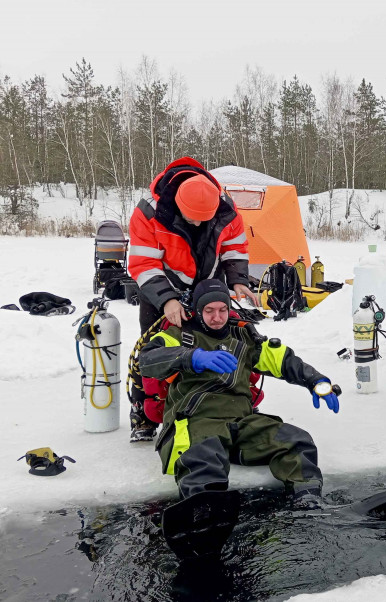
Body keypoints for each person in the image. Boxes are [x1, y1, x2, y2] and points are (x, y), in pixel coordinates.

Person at [139, 279, 339, 512]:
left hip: (241, 422)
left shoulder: (244, 338)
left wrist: (315, 380)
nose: (217, 317)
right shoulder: (179, 335)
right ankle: (206, 512)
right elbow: (147, 359)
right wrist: (191, 357)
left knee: (296, 441)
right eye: (209, 311)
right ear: (197, 310)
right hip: (198, 421)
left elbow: (282, 360)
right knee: (203, 456)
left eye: (223, 310)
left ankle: (307, 500)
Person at [128, 157, 259, 442]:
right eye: (192, 218)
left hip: (208, 285)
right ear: (177, 204)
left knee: (219, 341)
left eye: (204, 218)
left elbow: (235, 247)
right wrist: (167, 300)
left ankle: (222, 401)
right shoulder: (148, 213)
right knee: (153, 348)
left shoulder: (226, 209)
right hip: (160, 285)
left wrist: (237, 279)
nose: (199, 223)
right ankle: (143, 413)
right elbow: (144, 263)